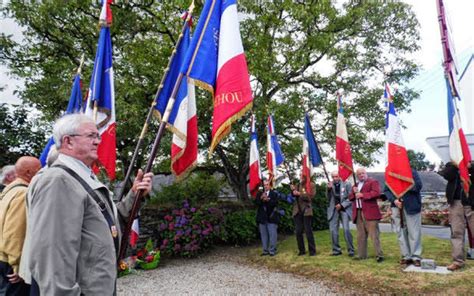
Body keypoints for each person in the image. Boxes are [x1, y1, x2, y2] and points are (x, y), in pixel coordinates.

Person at [27, 114, 153, 295]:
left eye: (97, 136)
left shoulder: (82, 176)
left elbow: (109, 224)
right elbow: (52, 254)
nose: (97, 141)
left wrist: (134, 195)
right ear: (68, 141)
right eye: (91, 136)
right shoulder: (58, 181)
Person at [0, 156, 41, 296]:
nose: (41, 173)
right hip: (12, 262)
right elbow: (14, 233)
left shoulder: (10, 190)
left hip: (5, 258)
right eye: (39, 170)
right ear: (29, 173)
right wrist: (17, 266)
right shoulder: (23, 193)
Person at [383, 168, 423, 266]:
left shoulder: (412, 172)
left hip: (411, 205)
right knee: (400, 232)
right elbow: (387, 190)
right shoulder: (390, 173)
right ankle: (406, 256)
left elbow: (418, 186)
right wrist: (394, 200)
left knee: (414, 232)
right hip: (396, 206)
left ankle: (415, 256)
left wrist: (404, 184)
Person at [439, 162, 474, 271]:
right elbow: (446, 175)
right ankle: (458, 261)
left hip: (471, 201)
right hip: (456, 201)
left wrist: (470, 167)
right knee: (456, 232)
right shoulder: (452, 162)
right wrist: (456, 165)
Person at [349, 167, 383, 262]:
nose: (361, 175)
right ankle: (361, 255)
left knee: (374, 234)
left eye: (363, 173)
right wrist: (354, 193)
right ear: (357, 176)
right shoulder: (355, 185)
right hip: (358, 212)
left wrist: (363, 195)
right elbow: (351, 197)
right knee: (361, 235)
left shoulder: (373, 182)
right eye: (359, 174)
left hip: (370, 212)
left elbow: (376, 193)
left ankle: (379, 255)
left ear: (366, 173)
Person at [327, 171, 354, 257]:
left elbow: (351, 198)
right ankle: (336, 250)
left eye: (336, 176)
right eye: (333, 177)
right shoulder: (329, 185)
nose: (335, 178)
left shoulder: (347, 184)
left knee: (346, 229)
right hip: (333, 210)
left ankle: (351, 250)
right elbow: (327, 198)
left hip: (344, 209)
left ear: (340, 176)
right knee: (333, 230)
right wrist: (328, 189)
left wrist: (342, 205)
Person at [288, 178, 316, 256]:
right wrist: (292, 190)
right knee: (298, 231)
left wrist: (299, 194)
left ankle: (312, 251)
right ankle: (301, 250)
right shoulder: (297, 185)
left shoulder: (311, 185)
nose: (301, 176)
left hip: (306, 210)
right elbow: (293, 195)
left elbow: (310, 197)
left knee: (308, 231)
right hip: (297, 211)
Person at [255, 180, 280, 256]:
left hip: (271, 217)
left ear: (270, 186)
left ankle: (272, 250)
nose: (265, 186)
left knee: (272, 235)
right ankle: (265, 250)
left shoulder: (274, 193)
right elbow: (256, 203)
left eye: (267, 185)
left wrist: (268, 200)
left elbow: (275, 203)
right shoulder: (259, 193)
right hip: (262, 218)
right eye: (264, 185)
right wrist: (261, 199)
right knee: (264, 235)